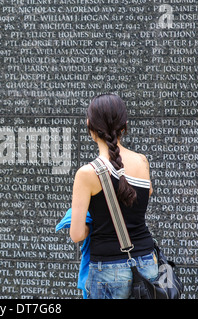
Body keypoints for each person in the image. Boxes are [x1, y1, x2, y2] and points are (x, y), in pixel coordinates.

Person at [69, 94, 158, 299]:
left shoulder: (87, 173)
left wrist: (91, 223)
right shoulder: (142, 161)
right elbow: (144, 195)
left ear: (89, 125)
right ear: (124, 125)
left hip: (107, 270)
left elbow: (76, 235)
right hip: (147, 262)